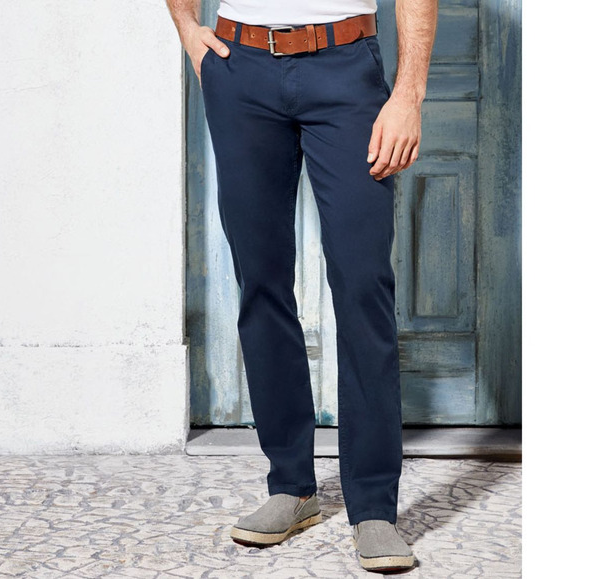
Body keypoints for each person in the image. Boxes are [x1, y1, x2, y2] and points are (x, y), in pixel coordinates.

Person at [165, 0, 437, 572]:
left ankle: (374, 507)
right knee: (260, 280)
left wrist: (408, 96)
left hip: (345, 66)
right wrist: (188, 29)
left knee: (362, 283)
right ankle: (291, 485)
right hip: (239, 68)